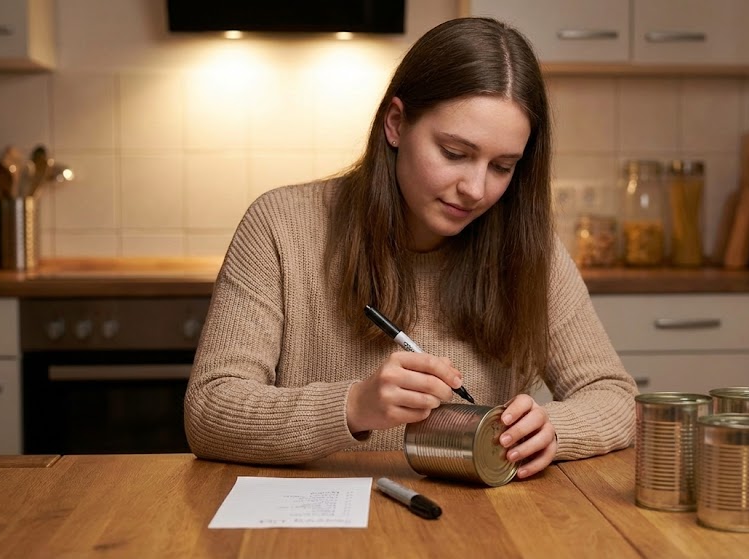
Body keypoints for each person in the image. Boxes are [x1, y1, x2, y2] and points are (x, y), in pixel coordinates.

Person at [184, 17, 637, 480]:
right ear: (396, 124)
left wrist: (554, 429)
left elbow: (614, 397)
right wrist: (354, 406)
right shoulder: (281, 226)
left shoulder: (528, 248)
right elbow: (209, 410)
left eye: (502, 166)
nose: (475, 189)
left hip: (475, 527)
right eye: (455, 153)